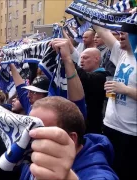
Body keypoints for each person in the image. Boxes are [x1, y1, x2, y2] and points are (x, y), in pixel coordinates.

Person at [20, 97, 118, 180]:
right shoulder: (31, 154)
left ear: (71, 139)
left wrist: (68, 177)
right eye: (27, 129)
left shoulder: (99, 174)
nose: (28, 138)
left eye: (40, 131)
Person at [94, 26, 137, 180]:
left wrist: (126, 90)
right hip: (109, 125)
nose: (121, 33)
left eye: (128, 31)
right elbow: (103, 31)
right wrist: (84, 10)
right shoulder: (122, 53)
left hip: (129, 133)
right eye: (121, 31)